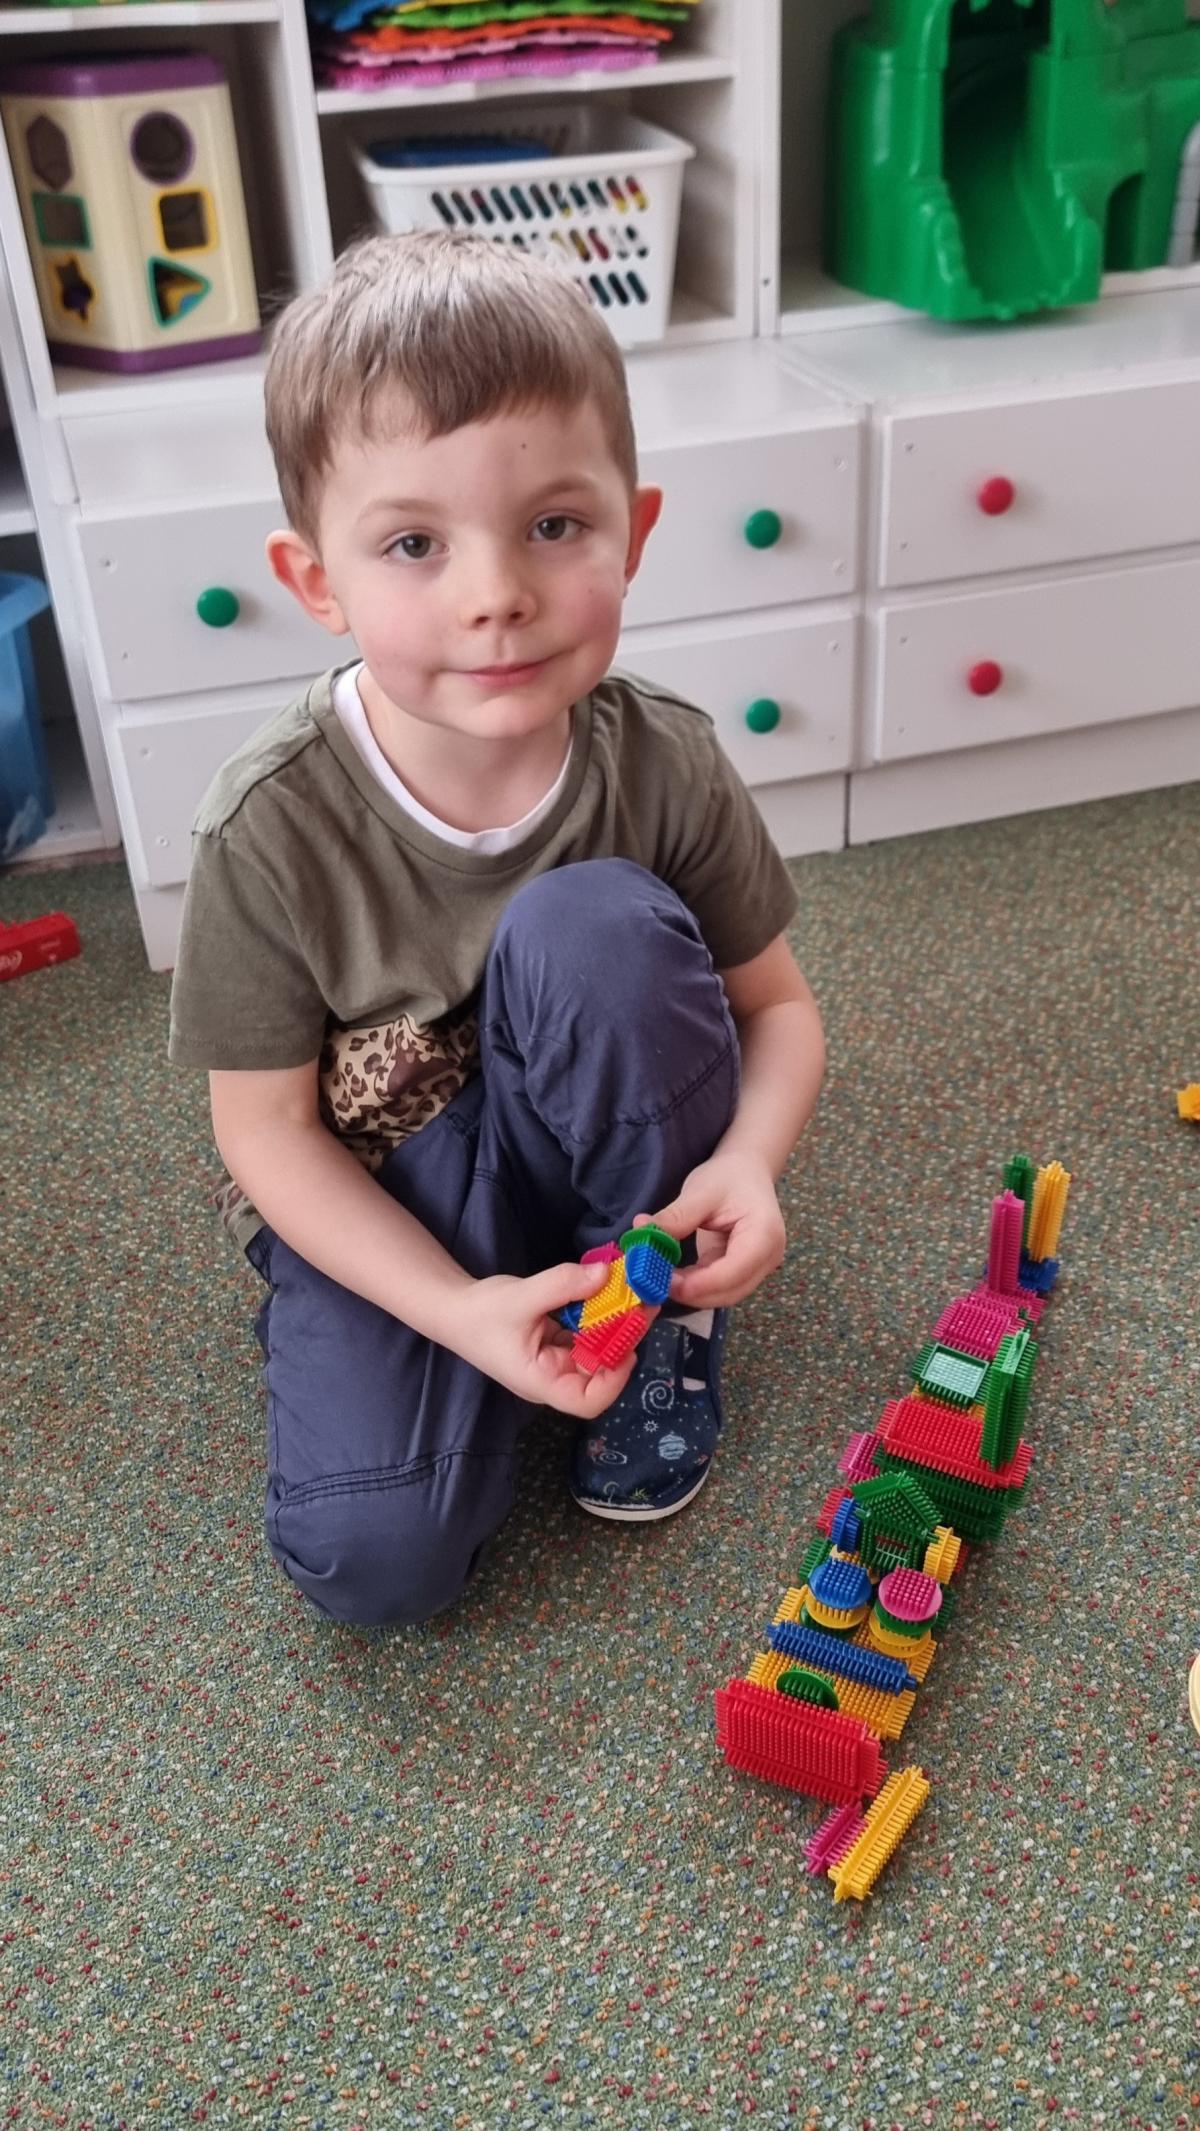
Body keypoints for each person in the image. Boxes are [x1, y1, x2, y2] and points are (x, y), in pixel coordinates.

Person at [168, 231, 826, 1627]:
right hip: (393, 1186)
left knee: (594, 928)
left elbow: (776, 1007)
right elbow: (264, 1135)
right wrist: (453, 1311)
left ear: (634, 531)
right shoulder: (265, 826)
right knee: (375, 1562)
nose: (496, 594)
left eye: (555, 525)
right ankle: (429, 1318)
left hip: (607, 1150)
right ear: (317, 582)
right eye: (415, 544)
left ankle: (659, 1323)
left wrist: (750, 1168)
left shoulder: (663, 758)